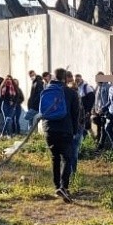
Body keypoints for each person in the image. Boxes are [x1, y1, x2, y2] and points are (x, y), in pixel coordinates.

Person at [42, 68, 81, 202]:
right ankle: (64, 187)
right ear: (65, 78)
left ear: (53, 76)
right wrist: (75, 130)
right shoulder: (71, 93)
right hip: (65, 130)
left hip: (49, 129)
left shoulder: (46, 91)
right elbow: (76, 113)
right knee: (67, 158)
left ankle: (57, 186)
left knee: (55, 158)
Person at [93, 72, 111, 149]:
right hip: (98, 111)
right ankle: (99, 143)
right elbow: (96, 99)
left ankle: (101, 145)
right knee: (99, 128)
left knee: (104, 128)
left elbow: (109, 100)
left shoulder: (107, 86)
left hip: (105, 111)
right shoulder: (97, 87)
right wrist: (94, 108)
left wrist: (104, 109)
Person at [0, 75, 17, 139]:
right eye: (7, 79)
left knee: (8, 119)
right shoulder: (3, 86)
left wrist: (13, 101)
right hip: (5, 104)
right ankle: (9, 135)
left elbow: (17, 97)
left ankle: (2, 134)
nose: (9, 80)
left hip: (12, 105)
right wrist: (5, 88)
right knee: (6, 120)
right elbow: (1, 97)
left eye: (10, 79)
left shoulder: (14, 87)